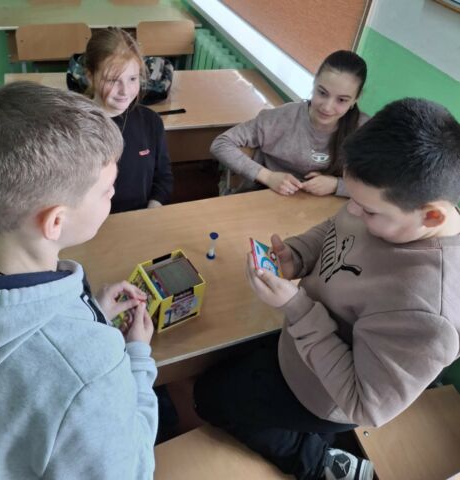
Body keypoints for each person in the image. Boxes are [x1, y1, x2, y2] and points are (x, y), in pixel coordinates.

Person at [194, 98, 460, 480]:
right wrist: (299, 254)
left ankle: (319, 461)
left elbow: (361, 404)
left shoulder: (429, 316)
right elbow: (337, 228)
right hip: (298, 343)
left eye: (369, 210)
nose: (353, 211)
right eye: (352, 197)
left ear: (432, 215)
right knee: (225, 366)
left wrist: (296, 308)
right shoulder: (387, 205)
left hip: (321, 392)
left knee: (207, 397)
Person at [0, 82, 158, 479]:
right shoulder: (91, 371)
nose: (113, 196)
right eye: (107, 191)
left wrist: (90, 313)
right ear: (55, 222)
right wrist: (137, 357)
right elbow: (133, 470)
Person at [211, 50, 369, 197]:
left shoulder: (364, 130)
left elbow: (381, 185)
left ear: (356, 98)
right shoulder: (282, 118)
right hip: (265, 196)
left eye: (341, 100)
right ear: (314, 83)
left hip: (319, 207)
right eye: (322, 93)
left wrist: (336, 185)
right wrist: (268, 177)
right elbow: (221, 143)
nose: (327, 107)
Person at [84, 27, 173, 213]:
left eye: (132, 78)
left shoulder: (151, 122)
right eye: (112, 80)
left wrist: (152, 209)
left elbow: (163, 178)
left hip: (142, 217)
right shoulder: (75, 129)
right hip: (93, 223)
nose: (125, 91)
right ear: (90, 77)